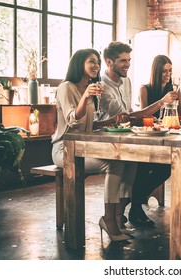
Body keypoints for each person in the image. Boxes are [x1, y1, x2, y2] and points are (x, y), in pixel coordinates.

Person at [96, 43, 181, 228]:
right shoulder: (102, 86)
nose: (128, 64)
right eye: (123, 60)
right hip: (107, 141)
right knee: (142, 164)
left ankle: (128, 210)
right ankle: (124, 212)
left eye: (129, 60)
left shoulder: (125, 81)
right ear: (109, 61)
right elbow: (125, 117)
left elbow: (129, 116)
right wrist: (160, 103)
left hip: (126, 136)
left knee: (162, 166)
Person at [51, 48, 132, 242]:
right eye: (91, 61)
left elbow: (90, 124)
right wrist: (86, 96)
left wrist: (111, 120)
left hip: (85, 146)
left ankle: (118, 217)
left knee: (129, 159)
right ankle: (109, 219)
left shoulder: (91, 87)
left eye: (97, 62)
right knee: (114, 163)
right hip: (65, 150)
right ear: (79, 64)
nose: (96, 65)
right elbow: (73, 120)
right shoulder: (66, 87)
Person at [128, 54, 181, 226]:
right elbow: (144, 116)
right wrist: (162, 101)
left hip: (167, 139)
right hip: (148, 139)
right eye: (164, 71)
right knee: (143, 167)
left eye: (170, 70)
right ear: (156, 71)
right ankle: (135, 207)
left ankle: (133, 202)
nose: (167, 74)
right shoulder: (145, 89)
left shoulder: (173, 90)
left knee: (167, 168)